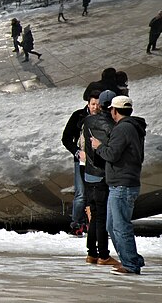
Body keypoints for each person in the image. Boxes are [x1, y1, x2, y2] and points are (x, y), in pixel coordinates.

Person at [91, 96, 146, 275]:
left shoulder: (122, 129)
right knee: (112, 225)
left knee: (120, 226)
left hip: (122, 185)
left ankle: (130, 264)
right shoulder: (133, 128)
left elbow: (112, 154)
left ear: (115, 111)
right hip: (123, 183)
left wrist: (98, 146)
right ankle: (131, 259)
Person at [82, 90, 120, 266]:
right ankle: (104, 255)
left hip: (89, 173)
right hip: (101, 175)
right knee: (102, 217)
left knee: (95, 215)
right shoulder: (111, 125)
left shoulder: (88, 120)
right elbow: (109, 151)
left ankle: (92, 253)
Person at [62, 89, 101, 236]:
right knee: (81, 193)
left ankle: (93, 223)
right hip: (82, 161)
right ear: (88, 103)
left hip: (98, 161)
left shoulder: (103, 117)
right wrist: (78, 152)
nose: (95, 108)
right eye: (93, 104)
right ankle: (76, 223)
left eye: (98, 104)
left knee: (96, 193)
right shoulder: (78, 116)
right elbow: (66, 138)